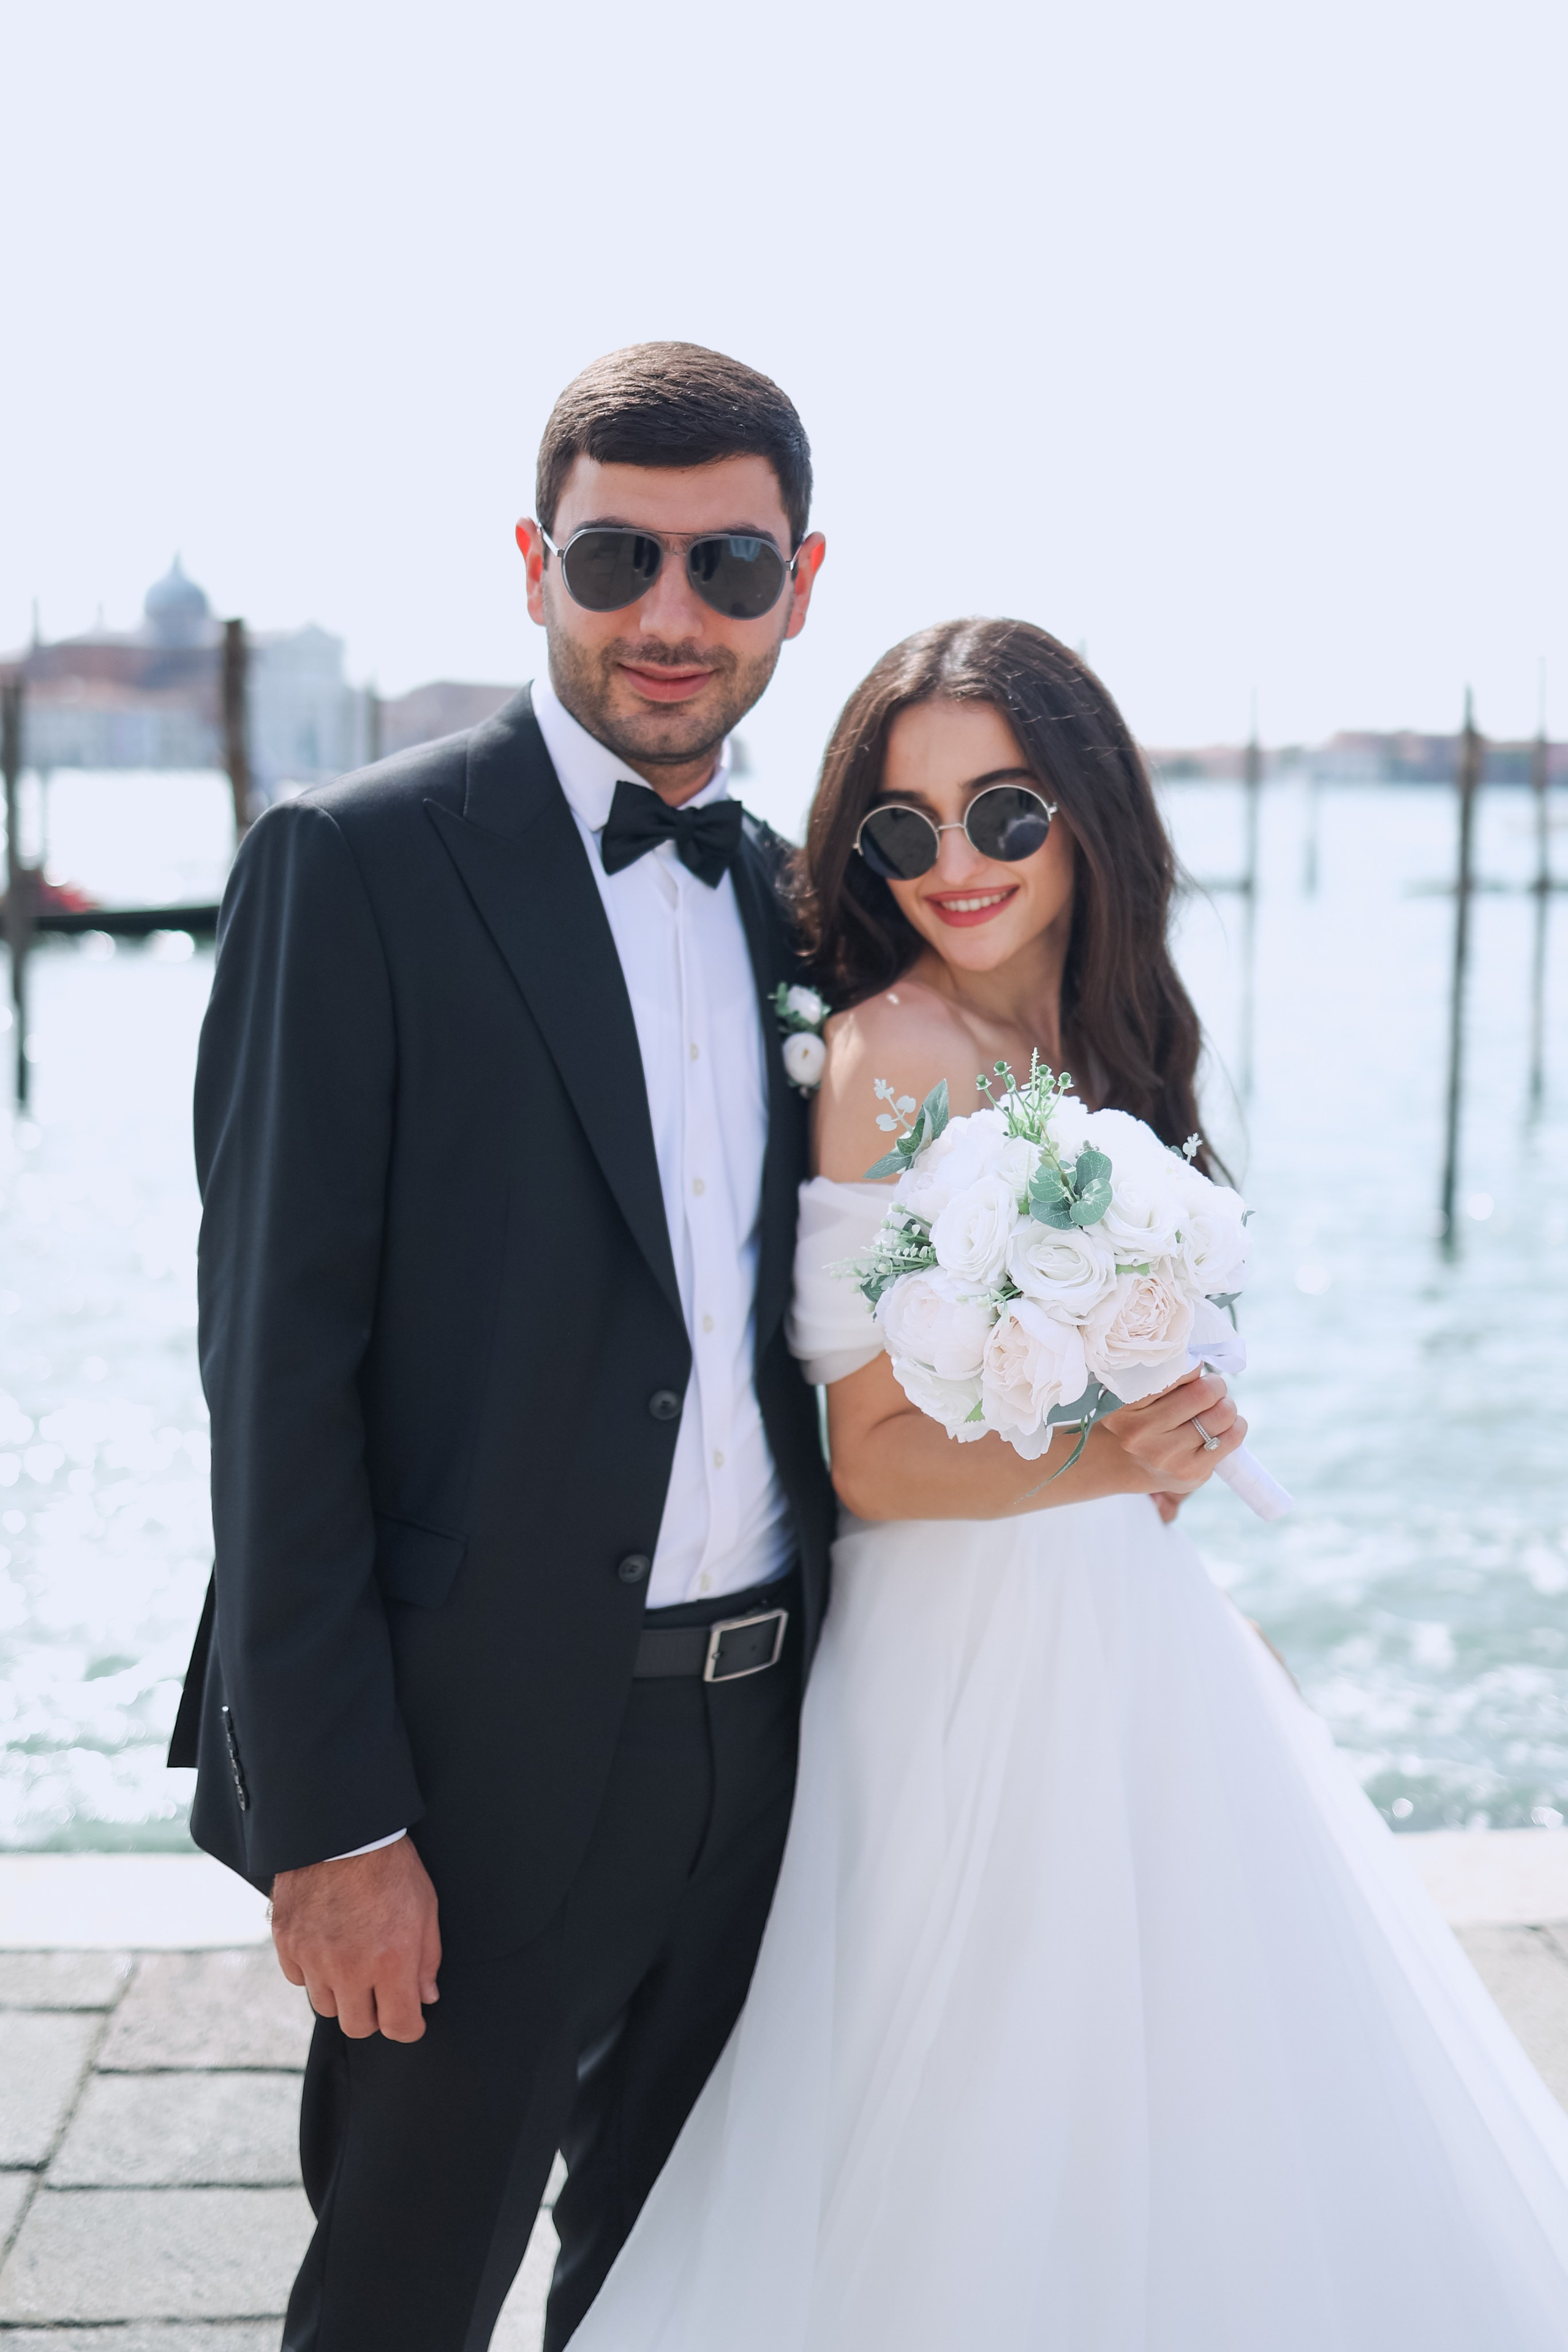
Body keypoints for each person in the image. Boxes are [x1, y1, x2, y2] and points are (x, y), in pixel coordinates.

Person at [568, 619, 1568, 2351]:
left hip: (1125, 1631)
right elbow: (872, 1459)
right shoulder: (890, 1055)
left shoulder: (1112, 1056)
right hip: (960, 1675)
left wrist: (1156, 1493)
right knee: (981, 2114)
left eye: (1004, 813)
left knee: (1214, 2109)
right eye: (907, 828)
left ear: (1089, 813)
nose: (956, 863)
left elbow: (1077, 1422)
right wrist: (1114, 1453)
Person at [167, 341, 837, 2350]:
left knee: (680, 2294)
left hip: (783, 1740)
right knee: (400, 2303)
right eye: (620, 555)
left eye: (730, 567)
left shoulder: (810, 904)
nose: (670, 613)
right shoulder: (357, 867)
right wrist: (336, 1824)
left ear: (802, 589)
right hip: (473, 1774)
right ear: (536, 562)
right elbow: (271, 1378)